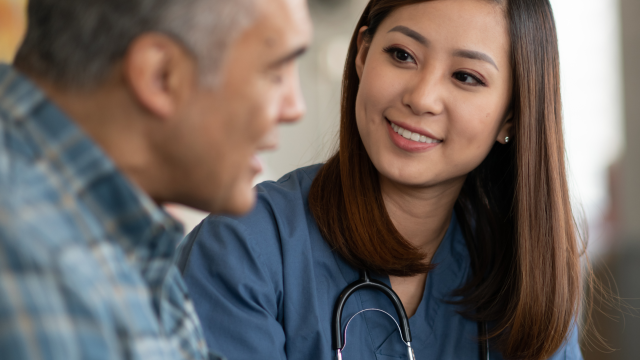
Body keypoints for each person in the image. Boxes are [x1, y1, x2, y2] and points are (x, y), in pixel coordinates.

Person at [177, 0, 585, 359]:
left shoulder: (522, 272)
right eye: (402, 54)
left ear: (511, 116)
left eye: (465, 77)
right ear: (363, 54)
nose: (421, 97)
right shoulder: (243, 249)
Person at [0, 0, 311, 359]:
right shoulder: (35, 274)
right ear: (162, 75)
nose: (295, 107)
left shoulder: (125, 240)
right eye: (275, 72)